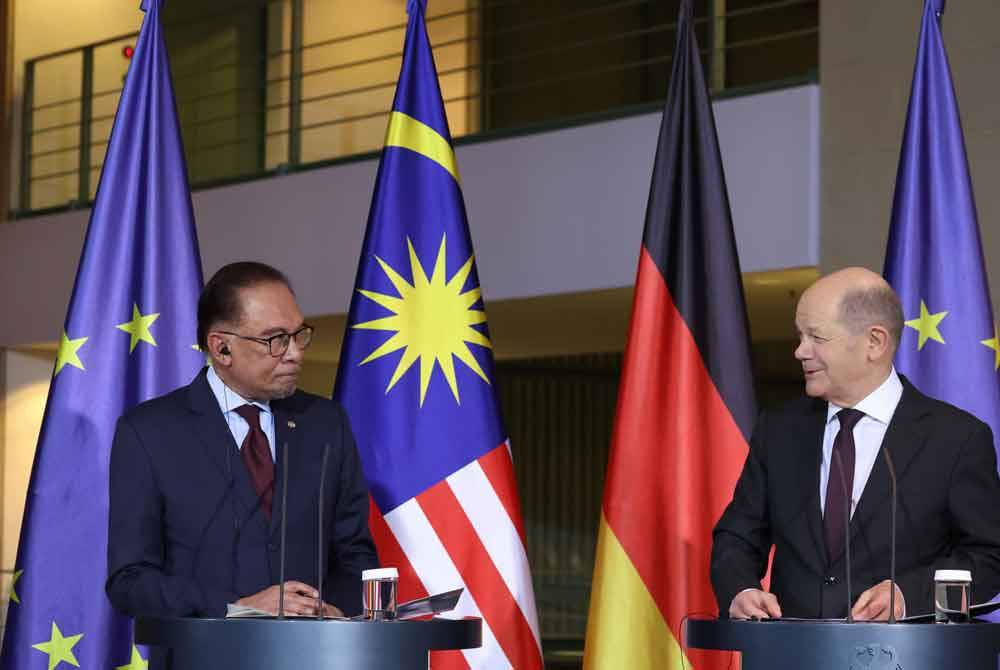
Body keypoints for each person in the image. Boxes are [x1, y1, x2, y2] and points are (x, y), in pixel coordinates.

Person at [712, 267, 1000, 620]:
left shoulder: (955, 438)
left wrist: (909, 595)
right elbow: (736, 537)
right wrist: (740, 589)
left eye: (816, 337)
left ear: (874, 343)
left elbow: (988, 557)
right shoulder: (779, 430)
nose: (800, 351)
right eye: (800, 336)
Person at [107, 262, 378, 621]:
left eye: (299, 334)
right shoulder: (148, 432)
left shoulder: (327, 424)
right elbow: (130, 581)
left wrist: (335, 610)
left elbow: (354, 553)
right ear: (221, 349)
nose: (295, 352)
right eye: (276, 339)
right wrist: (237, 608)